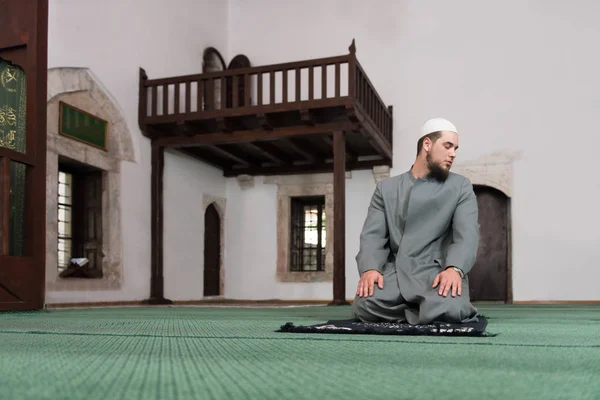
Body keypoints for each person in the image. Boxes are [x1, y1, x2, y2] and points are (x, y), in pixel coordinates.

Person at [352, 117, 480, 325]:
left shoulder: (461, 186)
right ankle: (423, 312)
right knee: (364, 305)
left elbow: (467, 236)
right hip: (396, 271)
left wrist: (454, 269)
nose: (453, 154)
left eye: (455, 148)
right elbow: (373, 235)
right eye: (447, 146)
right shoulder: (386, 189)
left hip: (438, 272)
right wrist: (370, 269)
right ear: (427, 144)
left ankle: (417, 309)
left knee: (452, 308)